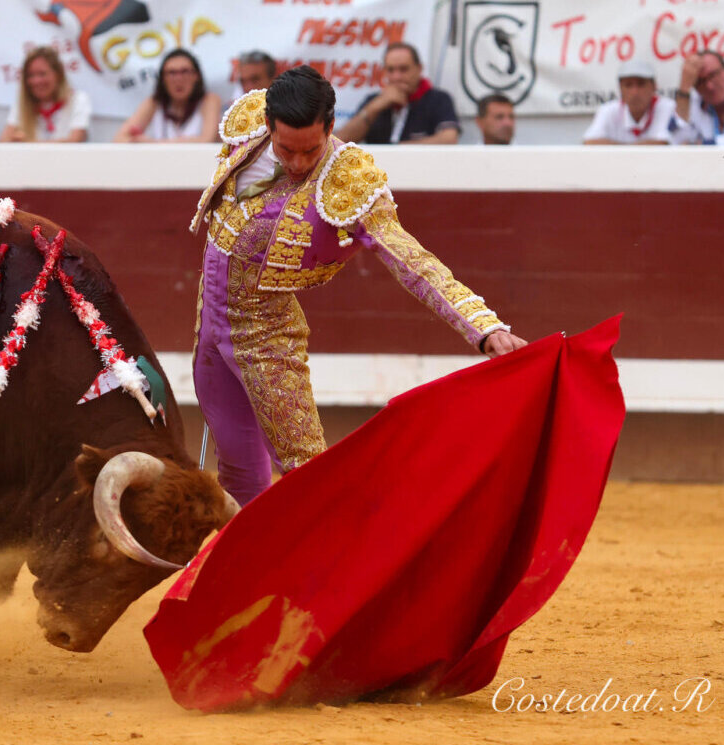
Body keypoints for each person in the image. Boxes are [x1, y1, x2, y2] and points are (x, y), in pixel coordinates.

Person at [190, 66, 526, 504]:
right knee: (236, 465)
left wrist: (482, 326)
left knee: (306, 472)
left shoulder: (348, 179)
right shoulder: (250, 125)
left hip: (264, 334)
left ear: (330, 126)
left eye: (310, 150)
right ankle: (249, 549)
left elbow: (411, 260)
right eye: (286, 149)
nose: (297, 164)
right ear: (269, 124)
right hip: (209, 321)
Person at [336, 43, 460, 144]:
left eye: (403, 69)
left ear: (419, 69)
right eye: (390, 70)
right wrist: (374, 108)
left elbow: (449, 138)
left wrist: (398, 150)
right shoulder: (374, 100)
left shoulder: (438, 99)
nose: (396, 77)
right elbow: (340, 142)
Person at [113, 49, 221, 143]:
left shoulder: (209, 100)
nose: (179, 79)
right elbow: (119, 138)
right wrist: (135, 140)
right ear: (163, 79)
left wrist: (151, 143)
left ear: (196, 76)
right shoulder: (154, 103)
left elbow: (207, 139)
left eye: (185, 72)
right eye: (172, 73)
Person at [0, 46, 91, 143]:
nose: (36, 81)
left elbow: (75, 141)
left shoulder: (78, 100)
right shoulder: (22, 104)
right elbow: (3, 141)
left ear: (58, 74)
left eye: (42, 74)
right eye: (31, 75)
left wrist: (28, 143)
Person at [583, 59, 677, 145]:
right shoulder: (608, 110)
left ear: (654, 86)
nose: (635, 92)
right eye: (628, 85)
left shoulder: (668, 108)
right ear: (620, 89)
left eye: (641, 84)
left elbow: (662, 143)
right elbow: (589, 142)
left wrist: (618, 149)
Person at [674, 50, 724, 145]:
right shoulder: (694, 99)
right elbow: (677, 140)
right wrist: (684, 88)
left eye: (713, 75)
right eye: (701, 81)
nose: (709, 86)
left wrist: (705, 145)